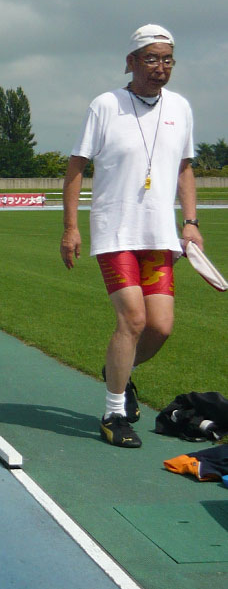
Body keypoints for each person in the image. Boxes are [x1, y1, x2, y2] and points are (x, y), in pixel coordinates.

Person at [60, 24, 202, 448]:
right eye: (152, 58)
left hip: (159, 237)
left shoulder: (180, 107)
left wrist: (191, 223)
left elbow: (184, 169)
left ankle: (118, 373)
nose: (160, 67)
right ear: (131, 62)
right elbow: (75, 169)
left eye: (167, 59)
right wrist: (70, 228)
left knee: (160, 327)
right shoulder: (106, 105)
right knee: (133, 320)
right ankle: (113, 413)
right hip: (116, 232)